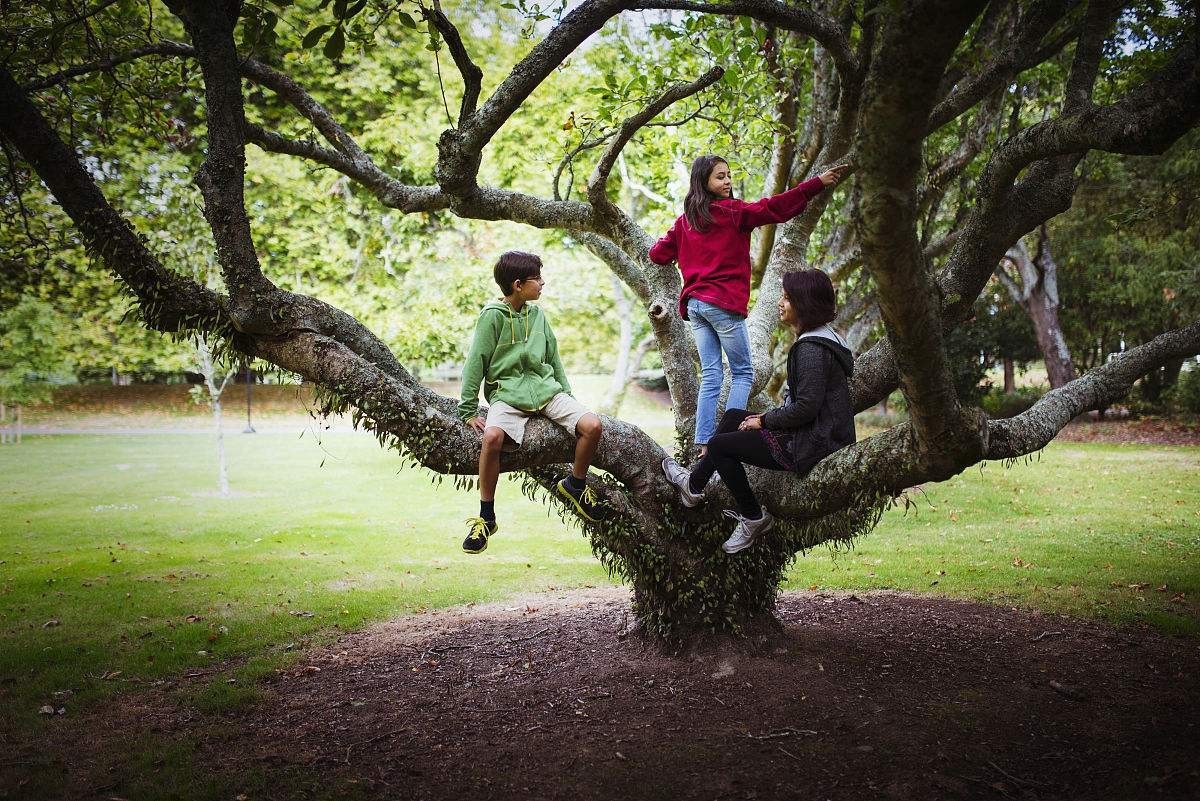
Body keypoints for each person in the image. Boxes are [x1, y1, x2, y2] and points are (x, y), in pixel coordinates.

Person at [648, 156, 847, 455]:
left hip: (696, 307)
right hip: (722, 305)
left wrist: (683, 253)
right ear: (703, 182)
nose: (727, 182)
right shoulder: (733, 213)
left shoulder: (685, 221)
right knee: (743, 373)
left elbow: (657, 254)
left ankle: (702, 442)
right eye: (719, 177)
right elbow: (774, 207)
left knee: (712, 374)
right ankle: (726, 441)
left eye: (728, 176)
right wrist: (816, 184)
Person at [661, 269, 855, 554]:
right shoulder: (824, 337)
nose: (780, 303)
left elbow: (806, 408)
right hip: (816, 434)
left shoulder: (812, 349)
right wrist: (761, 420)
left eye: (787, 298)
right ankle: (694, 485)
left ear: (805, 304)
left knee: (720, 445)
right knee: (732, 417)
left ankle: (753, 517)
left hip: (813, 443)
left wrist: (763, 421)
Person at [458, 251, 605, 554]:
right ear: (517, 284)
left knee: (592, 425)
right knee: (492, 437)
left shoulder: (537, 315)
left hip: (546, 391)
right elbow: (476, 362)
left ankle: (574, 486)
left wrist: (567, 396)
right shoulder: (492, 317)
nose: (542, 283)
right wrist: (469, 409)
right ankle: (486, 517)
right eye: (537, 278)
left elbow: (553, 357)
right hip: (508, 394)